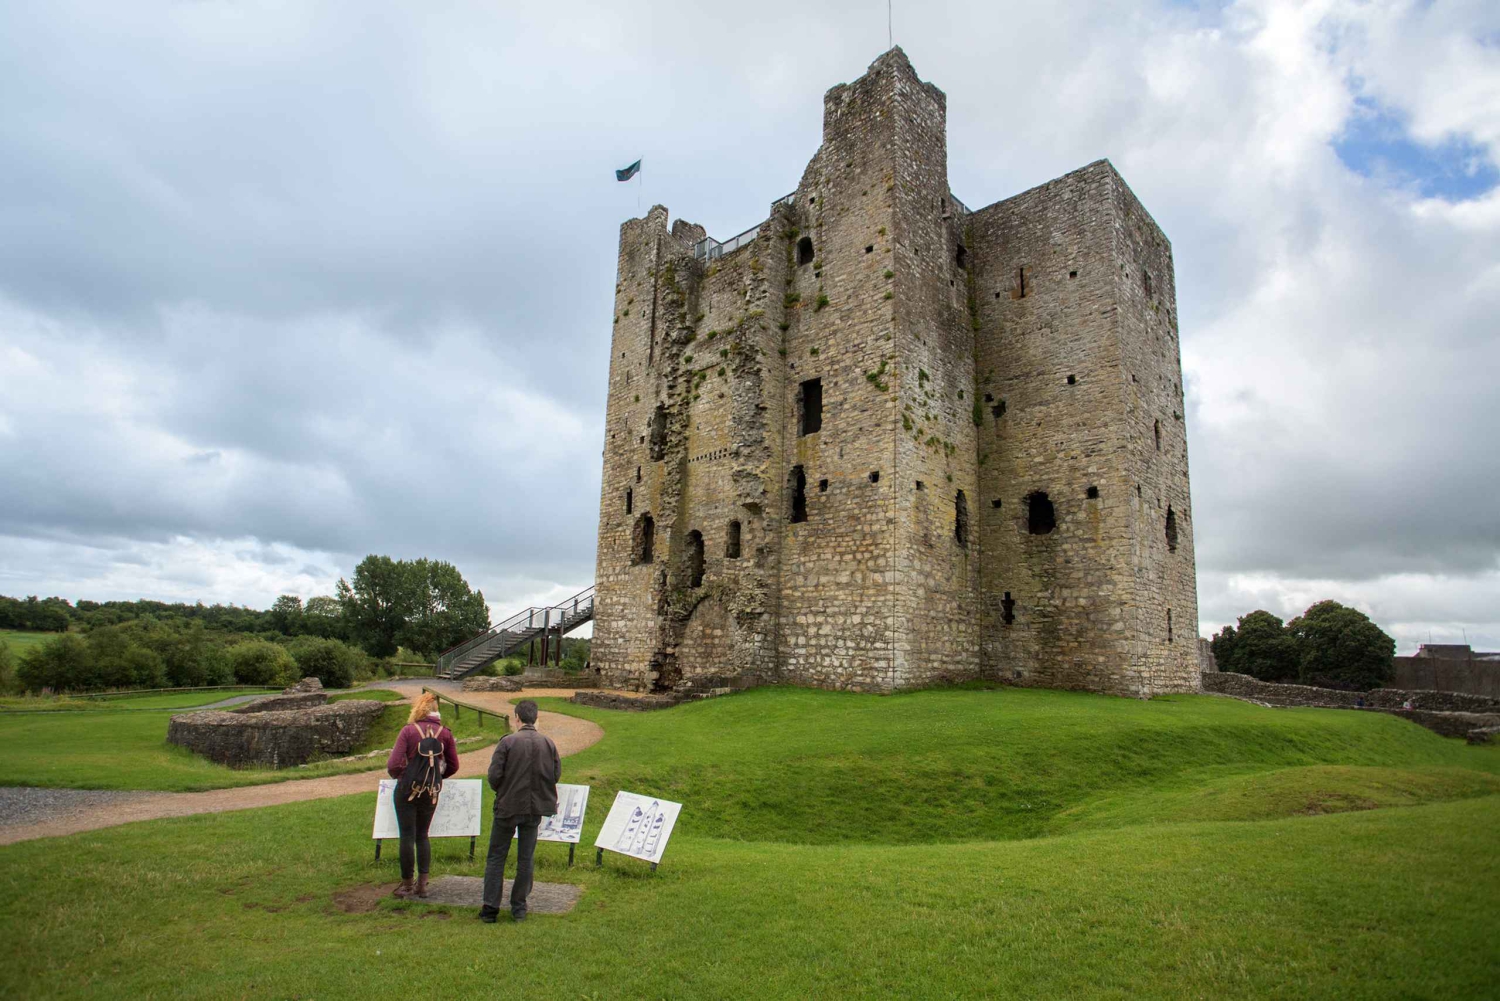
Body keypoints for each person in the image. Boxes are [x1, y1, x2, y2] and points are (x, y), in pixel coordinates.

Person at [480, 699, 561, 923]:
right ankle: (519, 907)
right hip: (534, 808)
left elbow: (494, 776)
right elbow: (555, 775)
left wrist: (504, 790)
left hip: (508, 806)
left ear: (517, 718)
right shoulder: (548, 743)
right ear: (536, 718)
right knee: (526, 858)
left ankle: (490, 908)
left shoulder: (507, 743)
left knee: (496, 856)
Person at [386, 692, 460, 900]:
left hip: (407, 790)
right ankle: (423, 885)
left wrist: (403, 777)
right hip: (431, 791)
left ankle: (407, 884)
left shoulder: (408, 731)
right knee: (423, 835)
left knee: (407, 836)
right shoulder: (445, 733)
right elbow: (454, 765)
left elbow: (393, 764)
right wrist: (437, 777)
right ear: (436, 711)